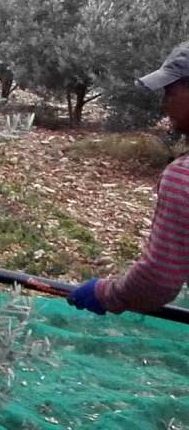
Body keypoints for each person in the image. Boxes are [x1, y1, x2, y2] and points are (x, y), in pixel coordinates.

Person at [68, 40, 189, 317]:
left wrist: (107, 293)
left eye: (170, 92)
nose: (164, 104)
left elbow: (159, 280)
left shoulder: (183, 177)